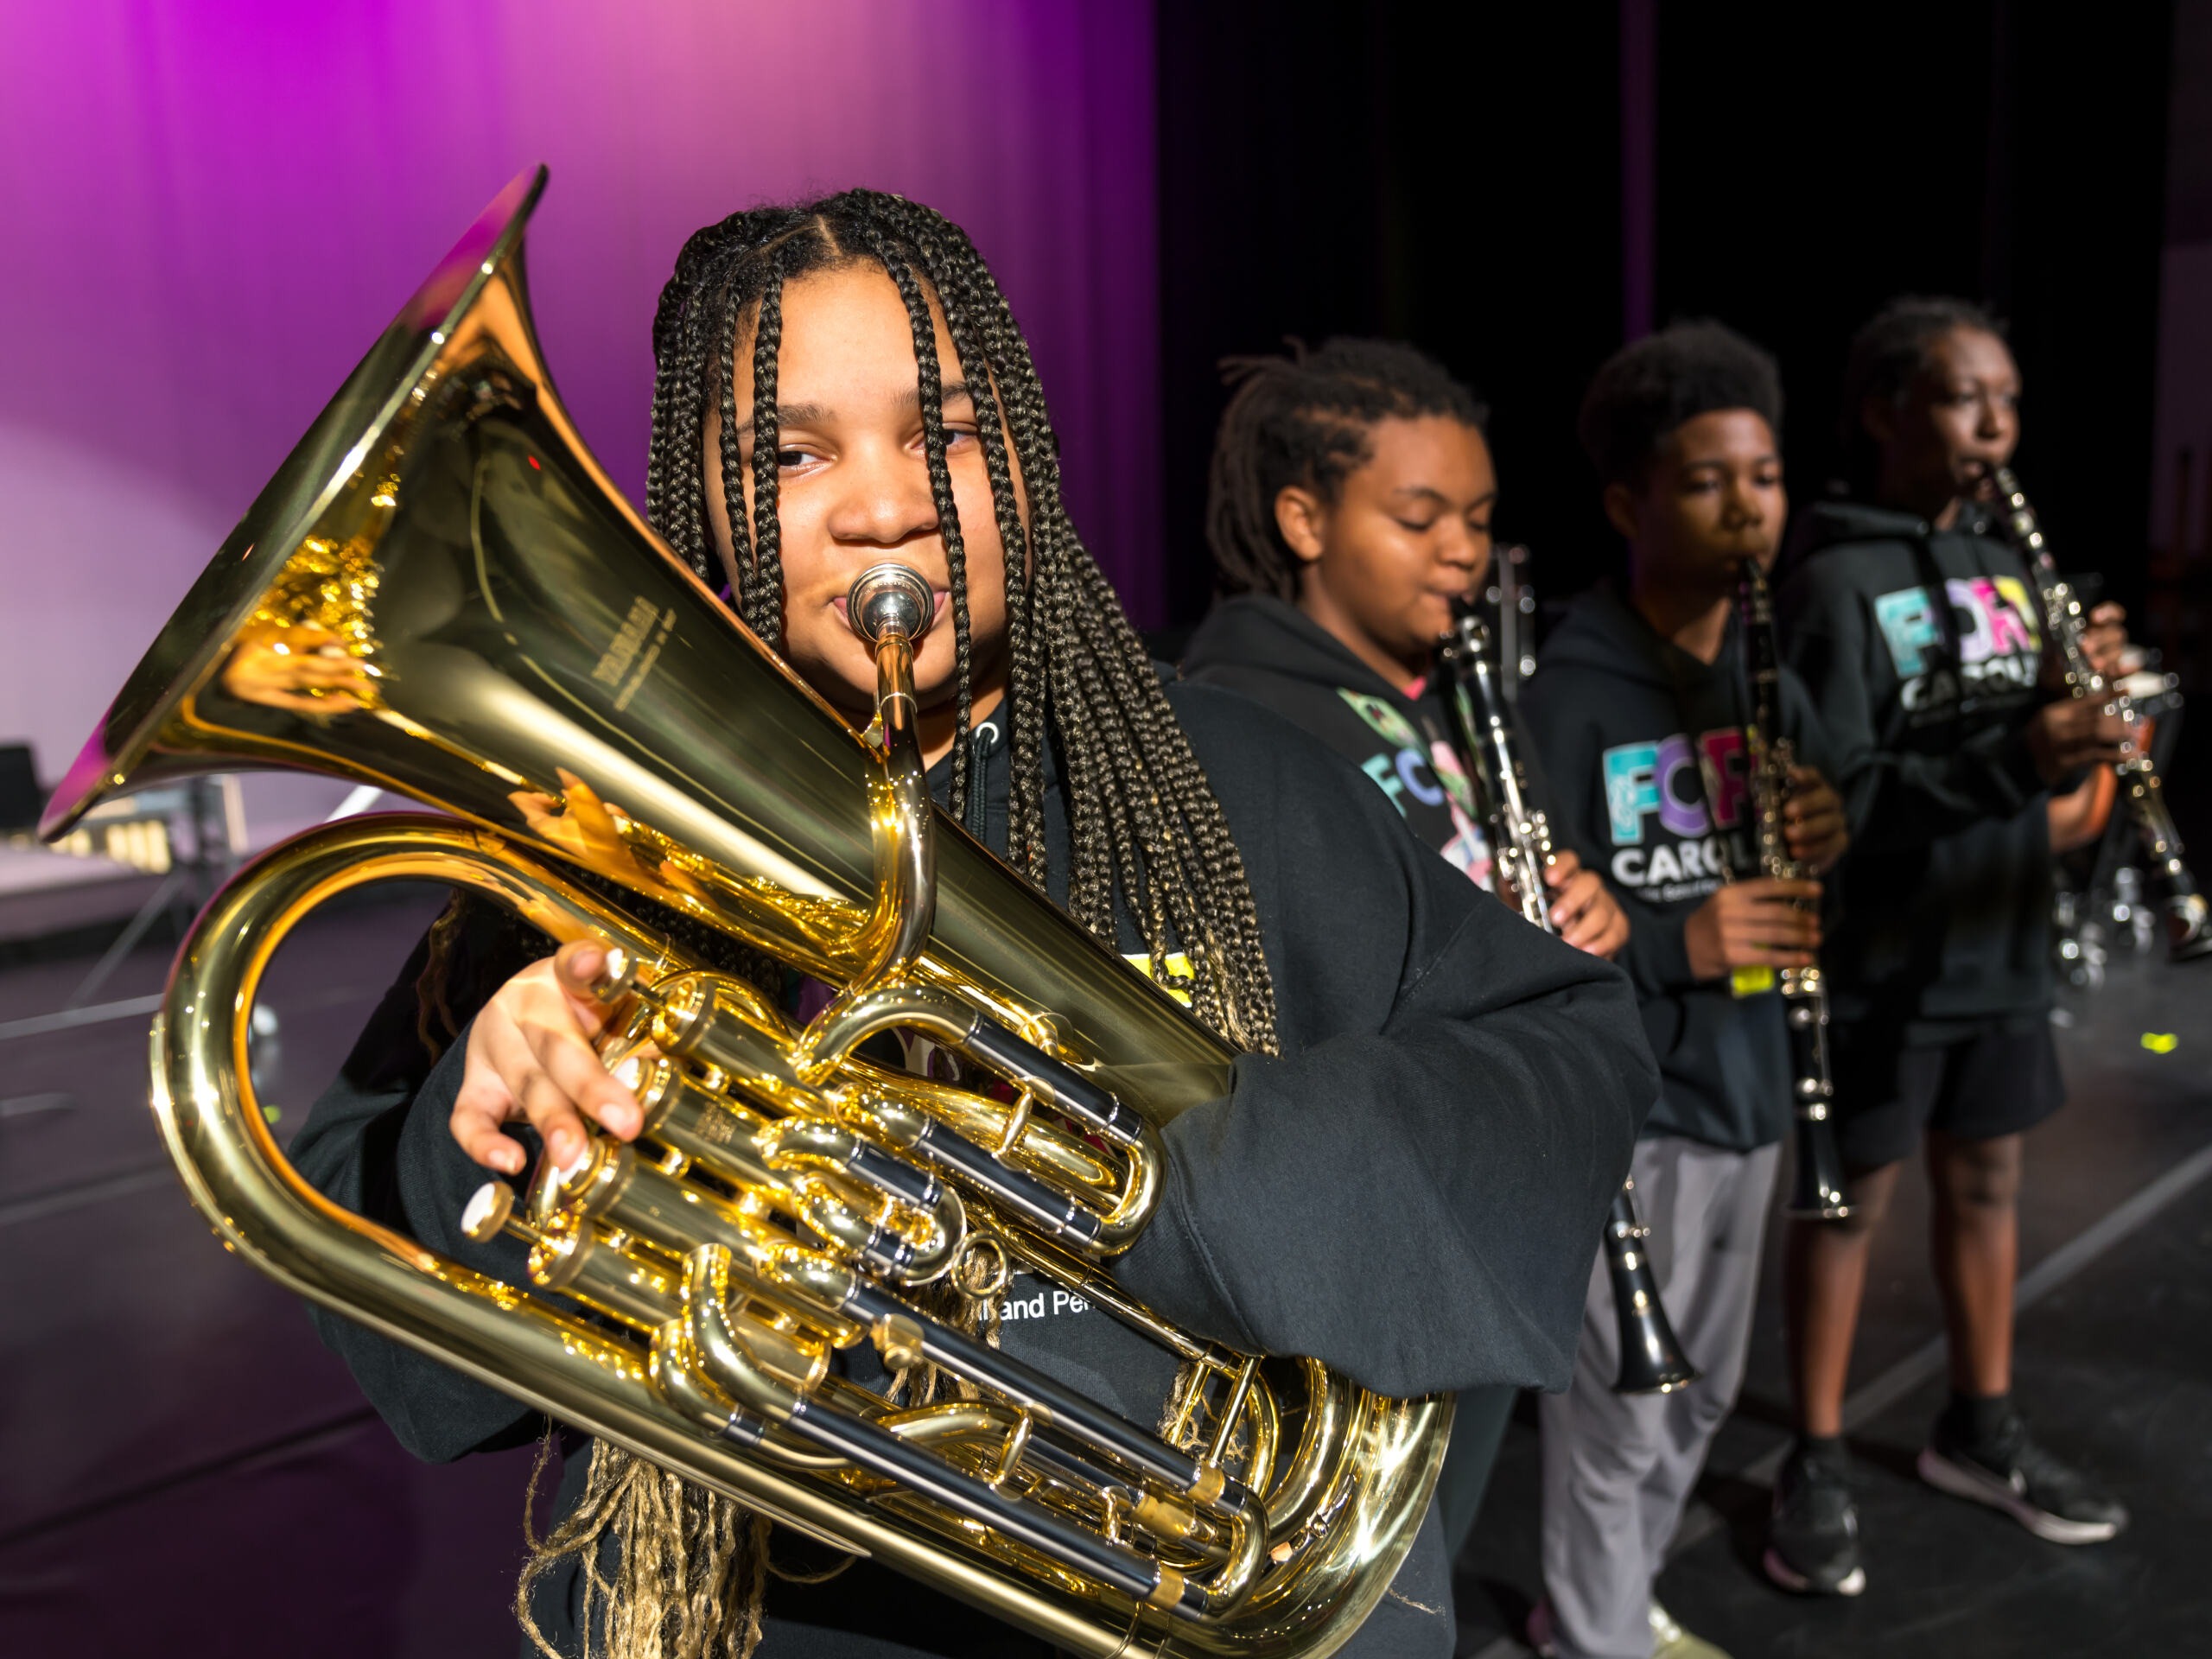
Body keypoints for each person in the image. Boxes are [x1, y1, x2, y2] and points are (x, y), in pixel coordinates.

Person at [288, 190, 1656, 1659]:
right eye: (790, 453)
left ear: (1022, 452)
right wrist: (500, 1104)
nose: (883, 506)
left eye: (941, 432)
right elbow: (421, 1348)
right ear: (701, 502)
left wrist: (1193, 1193)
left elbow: (1557, 1057)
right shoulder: (606, 852)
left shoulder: (1233, 778)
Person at [1181, 336, 1630, 1562]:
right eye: (1421, 516)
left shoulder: (1452, 692)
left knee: (1432, 1547)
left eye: (1479, 520)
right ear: (1303, 518)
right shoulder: (1240, 715)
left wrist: (1571, 913)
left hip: (1468, 1183)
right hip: (1361, 1235)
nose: (1464, 552)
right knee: (1352, 1569)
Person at [1763, 296, 2136, 1598]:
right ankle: (1812, 1451)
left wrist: (2087, 716)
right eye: (1967, 398)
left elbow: (2046, 764)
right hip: (1885, 952)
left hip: (2003, 940)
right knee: (1847, 1202)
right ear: (1885, 413)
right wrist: (2020, 753)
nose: (1997, 426)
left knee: (1988, 1186)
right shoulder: (1831, 582)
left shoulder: (2015, 565)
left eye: (2012, 402)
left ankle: (1978, 1423)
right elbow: (1845, 801)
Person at [1515, 322, 1849, 1659]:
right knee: (1618, 1411)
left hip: (1757, 1084)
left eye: (1764, 477)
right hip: (1641, 1103)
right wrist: (1678, 945)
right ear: (1627, 504)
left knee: (1701, 1401)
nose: (1747, 506)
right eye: (1709, 480)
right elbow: (1539, 930)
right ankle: (1589, 1633)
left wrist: (1829, 831)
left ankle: (1614, 1603)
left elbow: (1817, 874)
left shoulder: (1768, 674)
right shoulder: (1565, 699)